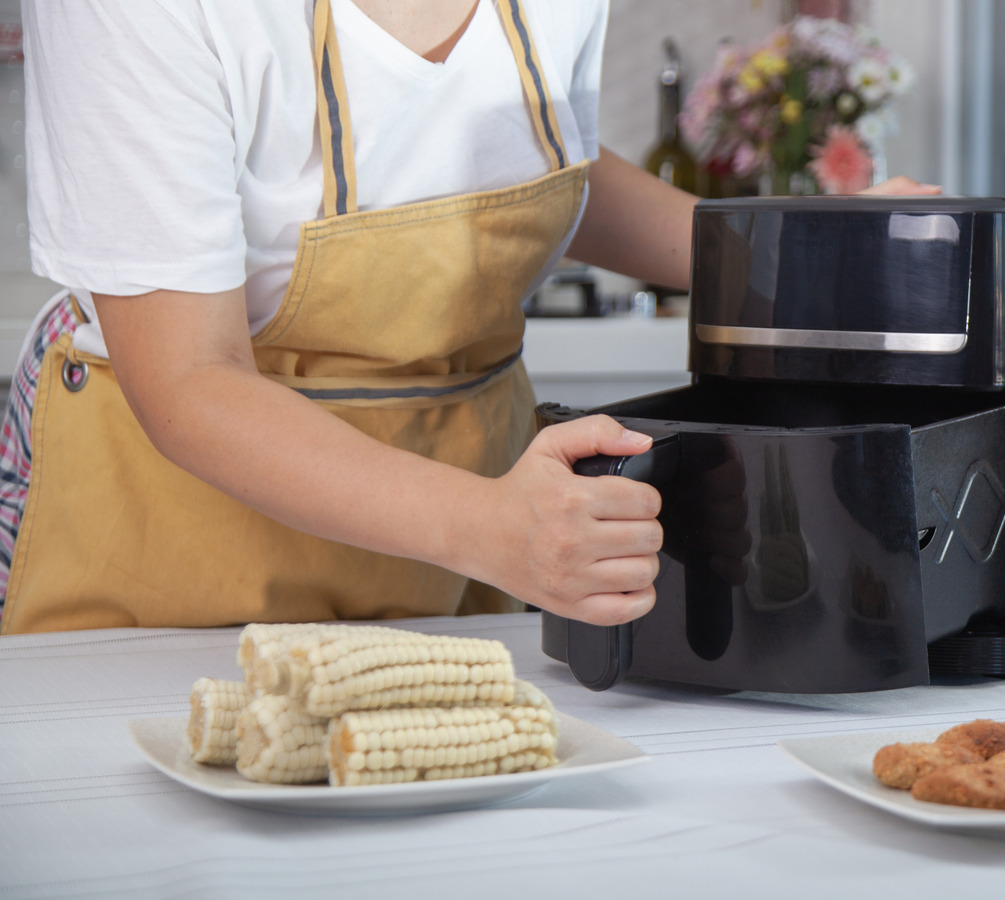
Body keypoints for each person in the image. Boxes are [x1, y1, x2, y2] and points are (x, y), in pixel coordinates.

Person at [2, 0, 935, 635]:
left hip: (455, 575)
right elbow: (189, 380)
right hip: (178, 574)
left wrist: (797, 257)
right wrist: (489, 525)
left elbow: (527, 163)